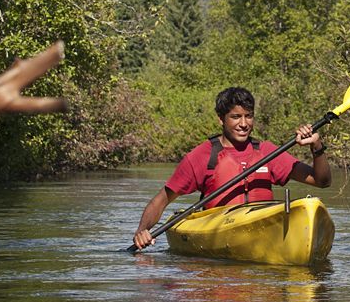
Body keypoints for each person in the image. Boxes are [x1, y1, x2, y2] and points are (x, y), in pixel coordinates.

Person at [133, 86, 331, 250]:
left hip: (264, 226)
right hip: (219, 229)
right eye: (236, 117)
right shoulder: (202, 156)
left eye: (249, 116)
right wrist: (142, 231)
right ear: (221, 119)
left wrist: (316, 146)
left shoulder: (267, 152)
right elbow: (161, 200)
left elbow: (321, 181)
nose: (244, 124)